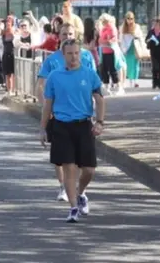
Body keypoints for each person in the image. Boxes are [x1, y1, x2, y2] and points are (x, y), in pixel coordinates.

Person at [40, 39, 105, 223]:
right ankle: (73, 207)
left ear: (80, 54)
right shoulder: (54, 76)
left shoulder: (89, 74)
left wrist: (100, 122)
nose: (73, 57)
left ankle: (81, 192)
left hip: (84, 124)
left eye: (76, 53)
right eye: (69, 53)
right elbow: (47, 105)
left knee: (89, 170)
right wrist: (42, 129)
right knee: (69, 167)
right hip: (61, 125)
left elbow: (100, 100)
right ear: (63, 55)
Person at [35, 23, 97, 201]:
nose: (67, 36)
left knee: (78, 157)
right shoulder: (52, 60)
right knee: (62, 155)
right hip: (58, 112)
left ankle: (75, 187)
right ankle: (63, 185)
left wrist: (93, 104)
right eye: (64, 33)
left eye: (70, 33)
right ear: (59, 36)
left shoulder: (86, 57)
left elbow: (93, 81)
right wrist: (47, 105)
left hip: (81, 113)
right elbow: (41, 84)